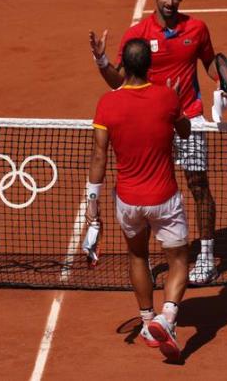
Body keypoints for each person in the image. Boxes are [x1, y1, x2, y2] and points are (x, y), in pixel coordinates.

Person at [89, 0, 226, 284]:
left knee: (198, 185)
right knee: (148, 189)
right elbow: (119, 82)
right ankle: (145, 261)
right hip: (150, 119)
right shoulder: (137, 34)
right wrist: (101, 62)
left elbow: (209, 62)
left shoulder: (197, 28)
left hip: (188, 116)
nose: (170, 2)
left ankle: (206, 258)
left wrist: (222, 82)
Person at [86, 38, 191, 361]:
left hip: (128, 202)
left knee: (137, 257)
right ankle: (168, 318)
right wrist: (176, 101)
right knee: (179, 260)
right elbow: (185, 131)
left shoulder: (107, 104)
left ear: (124, 67)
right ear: (149, 66)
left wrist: (93, 210)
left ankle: (148, 321)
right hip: (164, 199)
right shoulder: (166, 97)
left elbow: (99, 156)